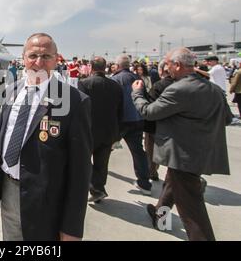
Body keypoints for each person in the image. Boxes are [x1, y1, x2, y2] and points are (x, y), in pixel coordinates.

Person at [0, 33, 92, 241]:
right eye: (33, 55)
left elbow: (81, 170)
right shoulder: (10, 91)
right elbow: (1, 141)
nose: (38, 62)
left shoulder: (74, 101)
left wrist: (72, 226)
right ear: (23, 58)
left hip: (46, 203)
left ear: (56, 59)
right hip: (8, 190)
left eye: (46, 56)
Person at [132, 48, 232, 241]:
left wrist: (137, 93)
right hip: (201, 152)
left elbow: (149, 111)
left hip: (183, 156)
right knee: (172, 184)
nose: (166, 67)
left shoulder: (179, 89)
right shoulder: (214, 89)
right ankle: (160, 217)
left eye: (168, 63)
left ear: (177, 65)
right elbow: (226, 118)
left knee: (192, 211)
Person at [78, 57, 123, 203]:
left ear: (91, 67)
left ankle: (96, 188)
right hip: (109, 130)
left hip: (89, 130)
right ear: (106, 68)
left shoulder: (84, 83)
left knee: (83, 160)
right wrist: (118, 134)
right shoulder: (115, 85)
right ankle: (99, 188)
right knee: (102, 163)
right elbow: (120, 110)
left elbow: (79, 108)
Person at [112, 55, 152, 195]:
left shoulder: (115, 79)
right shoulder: (137, 78)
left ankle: (96, 184)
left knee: (103, 150)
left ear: (117, 66)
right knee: (138, 151)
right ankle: (144, 183)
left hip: (121, 121)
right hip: (137, 119)